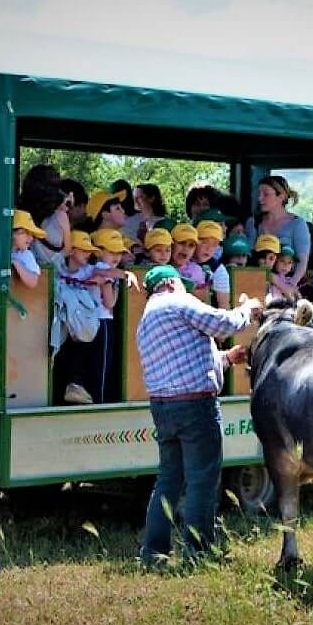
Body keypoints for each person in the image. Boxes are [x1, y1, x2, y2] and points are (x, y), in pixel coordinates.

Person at [137, 264, 262, 564]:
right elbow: (222, 324)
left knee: (168, 479)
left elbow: (185, 360)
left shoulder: (146, 321)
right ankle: (199, 552)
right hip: (196, 406)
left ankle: (153, 552)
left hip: (164, 407)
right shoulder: (178, 301)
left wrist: (227, 358)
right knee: (203, 480)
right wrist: (247, 309)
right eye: (181, 283)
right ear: (169, 282)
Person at [52, 230, 101, 405]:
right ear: (71, 250)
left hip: (81, 327)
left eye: (90, 251)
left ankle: (75, 388)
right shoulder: (56, 266)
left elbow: (107, 272)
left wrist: (126, 274)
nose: (89, 254)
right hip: (59, 325)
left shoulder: (90, 269)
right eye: (84, 250)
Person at [86, 228, 132, 403]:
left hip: (94, 321)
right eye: (111, 251)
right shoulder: (105, 270)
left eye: (119, 252)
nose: (117, 256)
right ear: (98, 252)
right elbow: (110, 303)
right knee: (103, 366)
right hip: (103, 321)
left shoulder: (96, 268)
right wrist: (117, 285)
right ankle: (100, 401)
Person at [245, 175, 310, 295]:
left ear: (281, 196)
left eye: (266, 194)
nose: (260, 198)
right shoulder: (253, 222)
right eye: (259, 193)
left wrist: (290, 285)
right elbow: (248, 256)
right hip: (259, 284)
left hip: (289, 284)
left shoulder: (298, 223)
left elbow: (302, 261)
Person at [18, 164, 72, 266]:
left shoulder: (19, 213)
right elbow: (67, 250)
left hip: (24, 272)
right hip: (51, 276)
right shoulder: (61, 215)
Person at [195, 219, 230, 308]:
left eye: (214, 244)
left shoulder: (219, 270)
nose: (209, 248)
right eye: (204, 242)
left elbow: (224, 307)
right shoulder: (183, 263)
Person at [11, 209, 46, 289]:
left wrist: (15, 263)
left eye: (32, 234)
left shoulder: (26, 255)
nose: (31, 238)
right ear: (11, 232)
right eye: (25, 232)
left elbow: (33, 282)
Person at [171, 222, 206, 290]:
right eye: (182, 242)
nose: (186, 248)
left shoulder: (197, 271)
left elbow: (203, 298)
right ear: (171, 244)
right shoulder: (159, 267)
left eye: (191, 245)